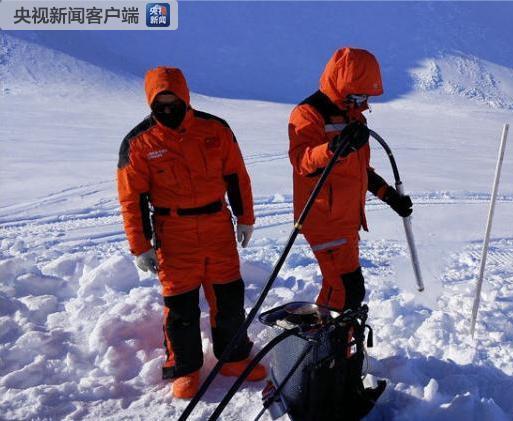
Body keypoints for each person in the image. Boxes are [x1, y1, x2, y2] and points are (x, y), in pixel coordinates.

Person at [116, 66, 266, 399]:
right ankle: (185, 368)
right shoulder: (138, 142)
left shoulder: (216, 129)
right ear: (151, 103)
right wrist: (140, 246)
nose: (168, 110)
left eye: (174, 103)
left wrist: (246, 217)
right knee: (181, 306)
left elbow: (236, 176)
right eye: (160, 105)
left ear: (186, 98)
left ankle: (233, 358)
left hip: (217, 225)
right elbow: (132, 199)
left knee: (228, 297)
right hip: (173, 231)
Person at [288, 48, 414, 312]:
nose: (362, 103)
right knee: (346, 289)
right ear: (341, 86)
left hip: (345, 220)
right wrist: (335, 148)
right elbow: (303, 162)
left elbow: (360, 171)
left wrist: (389, 196)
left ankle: (330, 346)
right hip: (322, 217)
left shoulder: (353, 118)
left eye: (366, 97)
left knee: (342, 289)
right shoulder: (309, 113)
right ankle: (329, 349)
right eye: (357, 96)